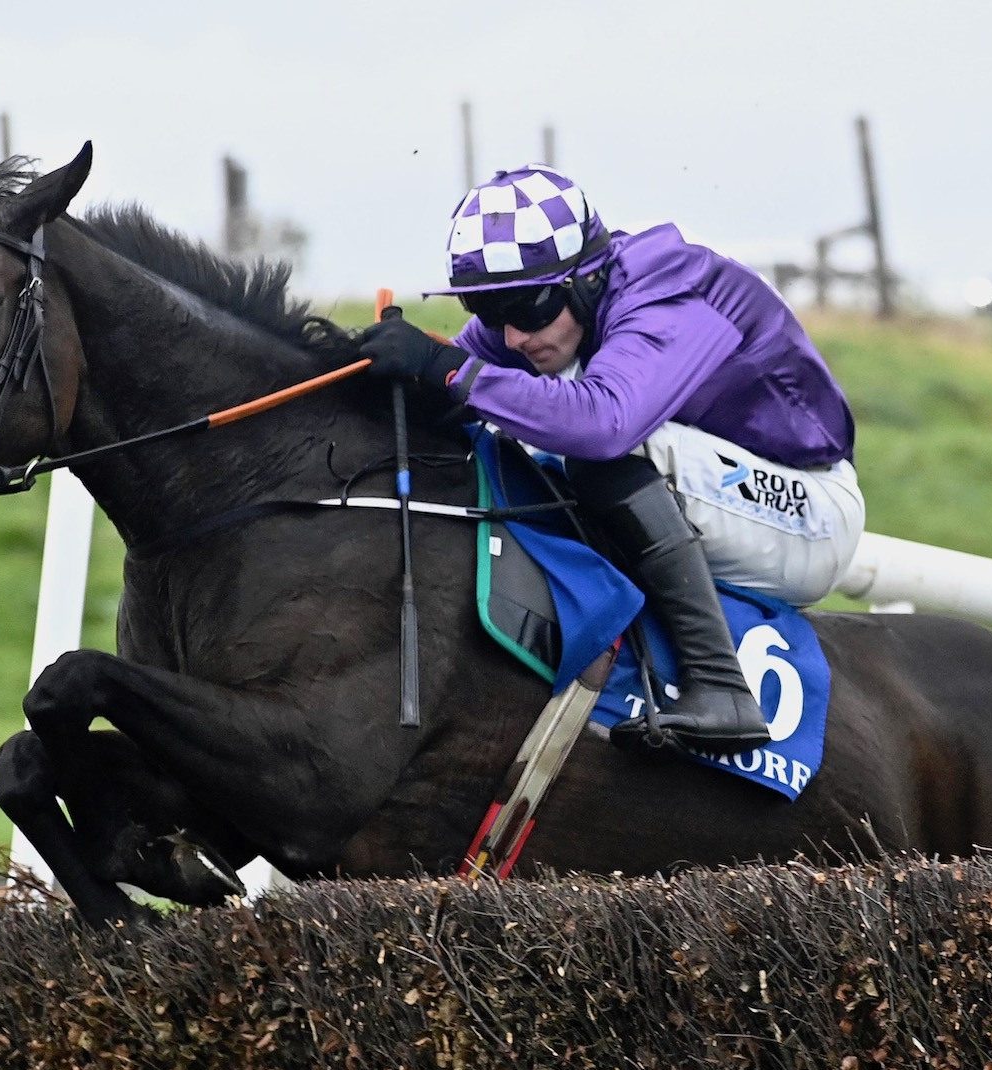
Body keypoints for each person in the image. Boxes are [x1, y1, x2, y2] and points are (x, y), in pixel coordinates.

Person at [356, 165, 865, 755]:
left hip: (809, 514)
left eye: (526, 308)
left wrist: (446, 369)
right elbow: (450, 389)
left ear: (586, 279)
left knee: (593, 446)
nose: (513, 336)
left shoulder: (669, 293)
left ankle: (722, 687)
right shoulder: (550, 309)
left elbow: (603, 425)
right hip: (722, 489)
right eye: (488, 311)